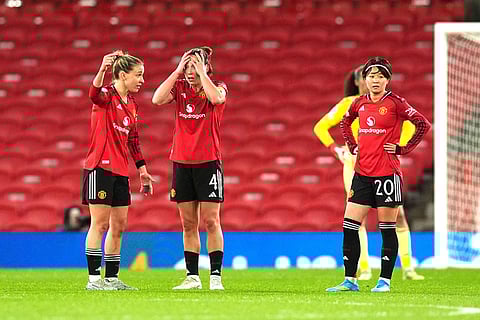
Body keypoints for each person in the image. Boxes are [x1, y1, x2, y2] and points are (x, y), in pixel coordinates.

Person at [326, 57, 431, 293]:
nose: (375, 80)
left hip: (387, 174)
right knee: (349, 225)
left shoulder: (396, 103)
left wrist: (404, 149)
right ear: (364, 80)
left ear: (387, 79)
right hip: (362, 173)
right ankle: (350, 280)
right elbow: (345, 122)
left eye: (380, 76)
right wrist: (352, 145)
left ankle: (384, 281)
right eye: (371, 76)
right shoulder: (359, 103)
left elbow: (422, 124)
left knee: (387, 227)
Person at [152, 46, 227, 290]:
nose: (190, 72)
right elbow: (157, 99)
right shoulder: (180, 88)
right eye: (187, 66)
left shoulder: (218, 87)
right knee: (188, 224)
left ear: (205, 68)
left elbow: (216, 98)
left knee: (211, 221)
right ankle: (192, 277)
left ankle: (215, 276)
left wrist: (202, 72)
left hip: (208, 162)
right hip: (182, 163)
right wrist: (176, 71)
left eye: (194, 66)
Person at [82, 50, 155, 291]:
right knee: (100, 224)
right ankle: (94, 280)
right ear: (123, 75)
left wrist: (142, 170)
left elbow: (133, 140)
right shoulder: (106, 96)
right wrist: (102, 69)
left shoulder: (132, 105)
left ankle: (112, 279)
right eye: (139, 75)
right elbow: (93, 94)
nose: (142, 80)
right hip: (99, 169)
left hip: (121, 172)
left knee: (119, 226)